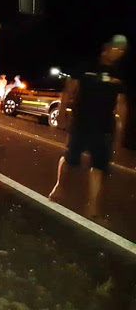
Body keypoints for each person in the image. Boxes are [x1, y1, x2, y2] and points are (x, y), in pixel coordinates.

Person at [48, 35, 128, 219]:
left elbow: (122, 105)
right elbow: (68, 90)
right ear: (106, 47)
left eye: (122, 50)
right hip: (81, 122)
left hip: (104, 127)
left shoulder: (119, 75)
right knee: (70, 158)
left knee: (99, 166)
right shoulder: (86, 66)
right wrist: (61, 113)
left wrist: (120, 133)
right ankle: (59, 186)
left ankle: (92, 205)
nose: (118, 52)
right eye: (116, 48)